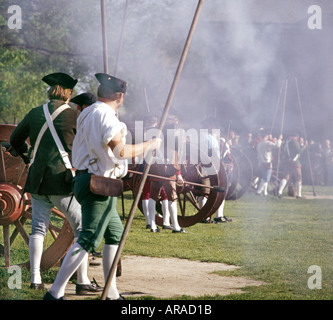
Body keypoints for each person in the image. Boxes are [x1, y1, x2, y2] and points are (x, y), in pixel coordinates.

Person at [43, 72, 161, 300]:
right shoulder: (106, 116)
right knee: (88, 239)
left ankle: (112, 293)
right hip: (97, 183)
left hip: (94, 180)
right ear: (119, 95)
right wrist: (150, 144)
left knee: (115, 233)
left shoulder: (88, 112)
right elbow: (120, 151)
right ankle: (54, 293)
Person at [10, 72, 99, 294]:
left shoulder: (34, 113)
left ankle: (35, 279)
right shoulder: (75, 116)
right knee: (83, 230)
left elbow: (15, 140)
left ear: (51, 92)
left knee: (38, 230)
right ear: (69, 94)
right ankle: (82, 281)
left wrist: (26, 156)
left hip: (38, 182)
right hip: (63, 182)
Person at [148, 115, 185, 233]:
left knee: (153, 197)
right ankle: (175, 227)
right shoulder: (173, 140)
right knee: (172, 198)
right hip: (168, 172)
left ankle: (152, 225)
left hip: (155, 169)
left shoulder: (155, 136)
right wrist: (178, 174)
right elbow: (175, 159)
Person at [277, 131, 307, 198]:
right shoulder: (294, 141)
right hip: (294, 161)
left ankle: (279, 192)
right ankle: (299, 195)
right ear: (297, 136)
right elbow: (299, 150)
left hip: (287, 161)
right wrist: (304, 145)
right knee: (299, 177)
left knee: (286, 177)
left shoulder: (287, 141)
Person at [255, 131, 282, 196]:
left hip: (260, 163)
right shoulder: (267, 143)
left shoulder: (259, 144)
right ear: (266, 137)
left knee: (265, 178)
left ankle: (265, 192)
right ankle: (258, 191)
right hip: (267, 163)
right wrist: (279, 139)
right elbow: (277, 146)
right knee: (266, 178)